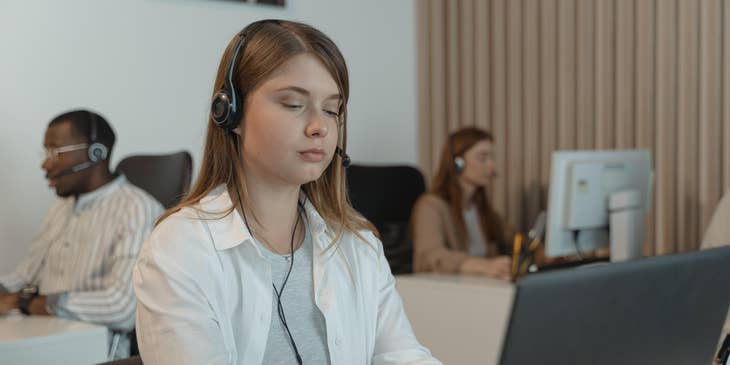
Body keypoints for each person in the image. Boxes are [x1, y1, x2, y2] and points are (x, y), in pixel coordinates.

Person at [132, 19, 441, 365]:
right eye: (294, 104)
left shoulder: (358, 246)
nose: (319, 127)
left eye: (331, 110)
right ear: (230, 112)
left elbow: (402, 355)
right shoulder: (182, 248)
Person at [0, 109, 164, 358]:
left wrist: (31, 304)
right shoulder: (62, 207)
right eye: (46, 153)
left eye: (55, 152)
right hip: (45, 334)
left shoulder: (137, 210)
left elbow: (122, 307)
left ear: (96, 153)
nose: (45, 164)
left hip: (95, 350)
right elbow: (27, 273)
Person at [411, 127, 513, 279]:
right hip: (451, 293)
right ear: (458, 163)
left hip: (482, 288)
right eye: (482, 158)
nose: (492, 167)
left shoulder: (481, 208)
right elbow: (428, 256)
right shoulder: (431, 206)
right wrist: (481, 266)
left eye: (491, 158)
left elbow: (514, 238)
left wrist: (543, 254)